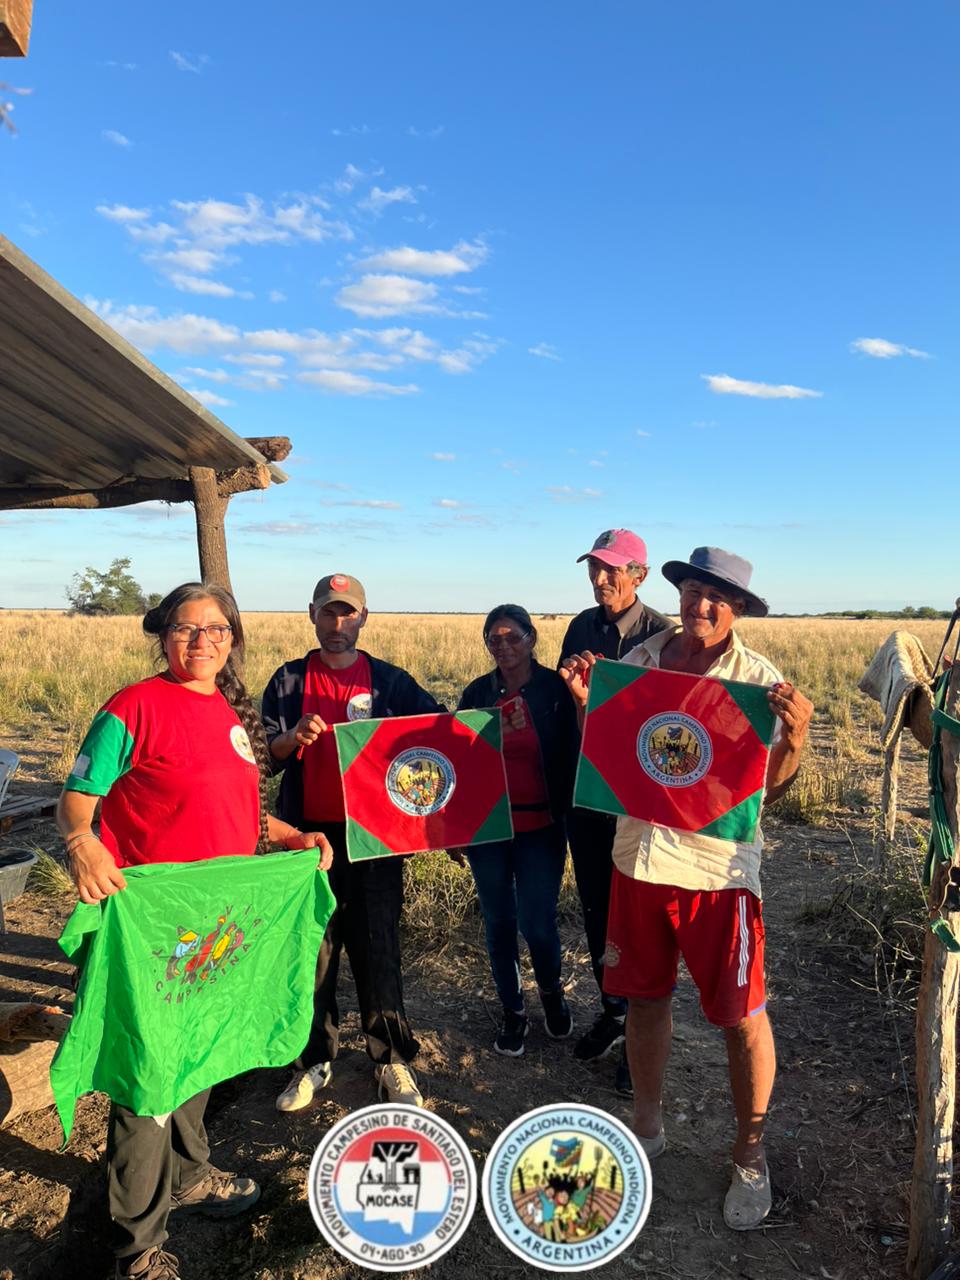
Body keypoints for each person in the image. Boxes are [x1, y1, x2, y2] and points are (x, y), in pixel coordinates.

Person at [56, 583, 333, 1280]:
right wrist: (83, 843)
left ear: (233, 639)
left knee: (201, 1050)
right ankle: (137, 1247)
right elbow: (77, 800)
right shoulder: (132, 707)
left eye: (217, 629)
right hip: (154, 930)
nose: (202, 641)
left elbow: (236, 813)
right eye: (186, 628)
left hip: (219, 926)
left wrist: (290, 836)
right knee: (150, 1077)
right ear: (163, 635)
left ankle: (188, 1175)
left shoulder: (230, 712)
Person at [561, 547, 813, 1231]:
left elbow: (767, 791)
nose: (701, 606)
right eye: (694, 591)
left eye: (718, 598)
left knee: (741, 1015)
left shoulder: (758, 682)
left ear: (739, 610)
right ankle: (646, 1128)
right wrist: (587, 705)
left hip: (715, 870)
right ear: (677, 592)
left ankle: (750, 1154)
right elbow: (609, 755)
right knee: (644, 1001)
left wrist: (795, 740)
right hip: (638, 858)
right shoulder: (639, 662)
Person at [262, 572, 443, 1111]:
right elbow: (262, 755)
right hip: (306, 837)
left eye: (347, 612)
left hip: (376, 838)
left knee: (377, 946)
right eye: (328, 611)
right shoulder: (289, 680)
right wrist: (292, 738)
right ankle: (312, 1060)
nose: (337, 623)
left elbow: (439, 732)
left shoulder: (390, 682)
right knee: (312, 949)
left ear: (364, 617)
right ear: (311, 614)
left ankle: (391, 1059)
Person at [559, 529, 673, 1091]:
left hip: (637, 801)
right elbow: (571, 709)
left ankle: (637, 1037)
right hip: (588, 791)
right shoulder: (580, 626)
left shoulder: (664, 635)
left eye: (612, 569)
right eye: (594, 568)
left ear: (639, 576)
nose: (600, 578)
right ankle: (612, 1010)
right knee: (597, 907)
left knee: (638, 916)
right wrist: (576, 685)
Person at [455, 605, 579, 1055]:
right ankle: (513, 1009)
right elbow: (458, 762)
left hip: (541, 826)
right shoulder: (477, 693)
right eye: (494, 639)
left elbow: (577, 745)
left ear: (532, 639)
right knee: (499, 922)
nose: (503, 646)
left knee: (537, 922)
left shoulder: (554, 690)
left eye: (513, 637)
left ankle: (551, 991)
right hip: (489, 829)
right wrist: (456, 826)